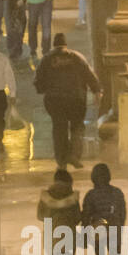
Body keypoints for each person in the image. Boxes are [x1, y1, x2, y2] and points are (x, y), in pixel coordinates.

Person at [34, 32, 101, 168]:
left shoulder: (47, 59)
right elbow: (89, 75)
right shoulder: (77, 57)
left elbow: (38, 82)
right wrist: (97, 91)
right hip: (76, 99)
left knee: (59, 128)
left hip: (55, 100)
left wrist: (44, 89)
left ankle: (61, 160)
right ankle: (74, 156)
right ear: (66, 44)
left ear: (54, 45)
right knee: (77, 127)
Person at [81, 163, 127, 255]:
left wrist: (85, 233)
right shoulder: (118, 192)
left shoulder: (90, 195)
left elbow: (86, 216)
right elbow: (123, 212)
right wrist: (120, 227)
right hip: (114, 229)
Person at [38, 168, 82, 255]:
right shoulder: (72, 197)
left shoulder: (46, 196)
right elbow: (77, 218)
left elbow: (40, 216)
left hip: (52, 236)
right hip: (68, 235)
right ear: (68, 181)